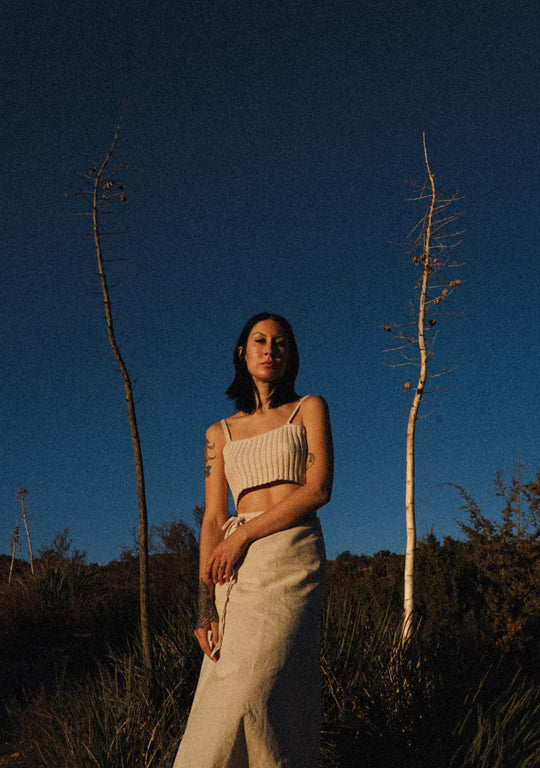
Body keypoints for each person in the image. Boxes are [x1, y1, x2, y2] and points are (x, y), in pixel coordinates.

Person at [173, 312, 333, 768]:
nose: (270, 349)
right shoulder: (219, 433)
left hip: (291, 558)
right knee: (224, 695)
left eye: (281, 342)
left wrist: (244, 536)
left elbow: (318, 489)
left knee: (256, 691)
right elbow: (213, 520)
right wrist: (204, 602)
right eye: (260, 341)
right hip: (232, 569)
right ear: (242, 353)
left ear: (291, 354)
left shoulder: (309, 408)